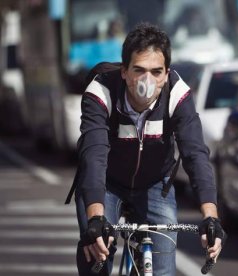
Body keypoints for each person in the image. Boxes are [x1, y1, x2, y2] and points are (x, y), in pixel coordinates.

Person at [68, 22, 226, 275]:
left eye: (156, 72)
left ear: (166, 74)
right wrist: (95, 218)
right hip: (106, 183)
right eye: (139, 70)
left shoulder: (178, 93)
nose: (147, 81)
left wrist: (211, 218)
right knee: (96, 257)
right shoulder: (101, 92)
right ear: (124, 71)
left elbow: (195, 153)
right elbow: (94, 154)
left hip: (155, 183)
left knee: (163, 270)